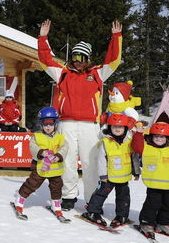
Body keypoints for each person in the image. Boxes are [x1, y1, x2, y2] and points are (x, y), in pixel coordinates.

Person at [37, 19, 123, 210]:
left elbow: (113, 60)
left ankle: (93, 198)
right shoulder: (63, 74)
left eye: (81, 57)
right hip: (66, 123)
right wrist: (43, 38)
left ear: (88, 59)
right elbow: (45, 60)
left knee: (90, 163)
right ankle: (69, 196)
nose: (77, 61)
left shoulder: (97, 74)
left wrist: (116, 37)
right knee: (67, 161)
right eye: (75, 56)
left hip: (89, 125)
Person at [131, 121, 169, 238]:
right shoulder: (146, 147)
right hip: (153, 184)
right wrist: (138, 134)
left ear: (167, 137)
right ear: (151, 136)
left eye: (162, 136)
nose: (159, 138)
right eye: (156, 136)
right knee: (151, 205)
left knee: (168, 206)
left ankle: (164, 223)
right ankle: (146, 223)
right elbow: (136, 146)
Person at [82, 113, 140, 227]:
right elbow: (101, 160)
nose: (117, 129)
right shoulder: (106, 142)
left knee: (123, 197)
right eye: (114, 127)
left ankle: (122, 215)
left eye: (120, 127)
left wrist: (136, 171)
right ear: (110, 128)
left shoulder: (129, 142)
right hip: (108, 177)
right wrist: (103, 176)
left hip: (123, 177)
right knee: (100, 194)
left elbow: (134, 158)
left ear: (125, 128)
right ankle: (93, 212)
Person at [12, 107, 68, 219]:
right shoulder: (37, 137)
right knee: (31, 184)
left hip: (55, 169)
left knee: (57, 187)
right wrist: (41, 152)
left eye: (51, 124)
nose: (48, 127)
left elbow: (65, 147)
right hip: (40, 168)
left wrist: (59, 156)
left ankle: (56, 205)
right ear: (41, 124)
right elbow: (32, 147)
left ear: (55, 124)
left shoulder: (60, 137)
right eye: (45, 124)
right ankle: (20, 199)